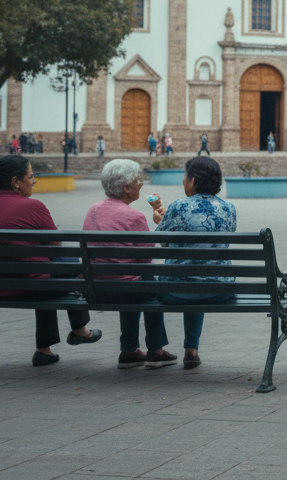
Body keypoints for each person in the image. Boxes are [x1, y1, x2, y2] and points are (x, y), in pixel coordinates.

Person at [0, 155, 102, 366]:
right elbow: (56, 244)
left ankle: (44, 351)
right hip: (29, 287)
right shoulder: (33, 206)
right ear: (15, 181)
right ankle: (79, 329)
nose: (34, 181)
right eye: (30, 177)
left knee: (43, 271)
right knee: (70, 266)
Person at [85, 159, 177, 369]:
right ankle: (155, 349)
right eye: (138, 180)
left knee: (131, 277)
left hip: (95, 289)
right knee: (147, 281)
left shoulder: (93, 209)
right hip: (124, 290)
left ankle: (129, 351)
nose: (141, 184)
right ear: (127, 188)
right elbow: (146, 260)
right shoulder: (135, 216)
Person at [153, 156, 237, 370]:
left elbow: (163, 243)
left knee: (182, 279)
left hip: (177, 292)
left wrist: (160, 222)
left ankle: (156, 347)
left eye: (185, 177)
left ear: (192, 181)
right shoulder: (229, 208)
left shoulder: (178, 206)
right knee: (201, 275)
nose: (183, 181)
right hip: (220, 290)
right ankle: (191, 350)